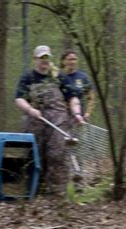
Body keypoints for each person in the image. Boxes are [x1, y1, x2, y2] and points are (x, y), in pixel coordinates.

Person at [15, 45, 85, 195]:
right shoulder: (28, 77)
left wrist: (77, 113)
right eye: (41, 58)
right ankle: (34, 191)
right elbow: (19, 98)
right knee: (35, 156)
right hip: (35, 122)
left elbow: (73, 97)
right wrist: (30, 110)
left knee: (57, 154)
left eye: (46, 58)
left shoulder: (59, 77)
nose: (44, 62)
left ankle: (57, 193)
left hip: (58, 121)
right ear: (35, 60)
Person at [60, 50, 96, 121]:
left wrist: (88, 113)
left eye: (74, 59)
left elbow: (92, 97)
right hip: (62, 117)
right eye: (70, 59)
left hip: (79, 118)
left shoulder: (82, 77)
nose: (72, 62)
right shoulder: (59, 77)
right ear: (64, 61)